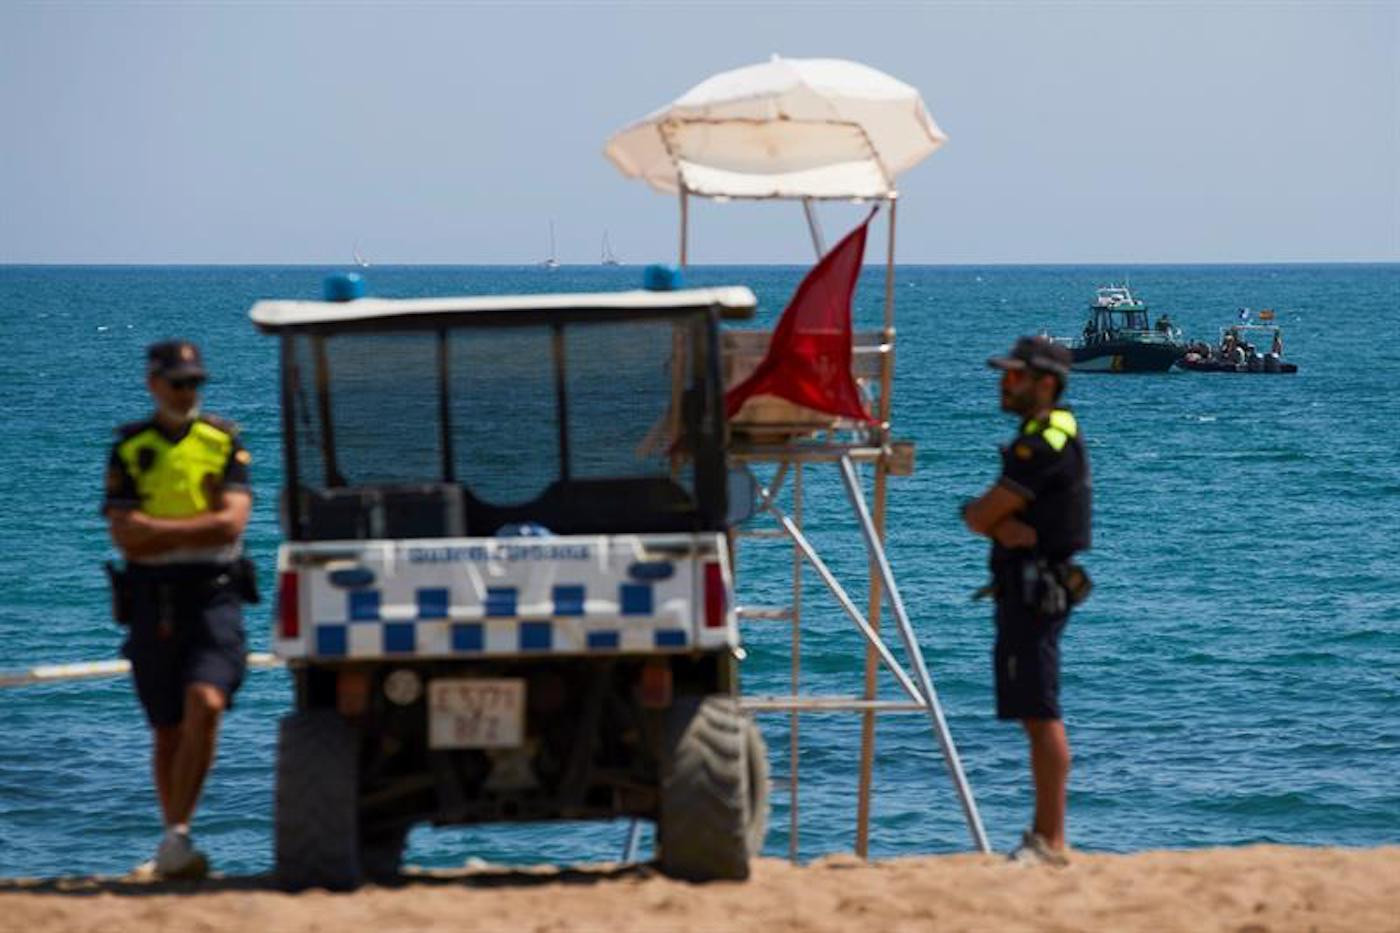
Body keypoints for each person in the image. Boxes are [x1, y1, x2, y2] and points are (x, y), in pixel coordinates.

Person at [102, 340, 254, 879]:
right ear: (154, 384)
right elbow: (125, 540)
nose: (189, 393)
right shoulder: (130, 448)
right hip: (152, 599)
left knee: (207, 701)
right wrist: (190, 528)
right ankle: (176, 841)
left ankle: (177, 836)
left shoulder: (222, 442)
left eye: (196, 383)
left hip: (214, 595)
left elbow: (231, 523)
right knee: (167, 728)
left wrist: (155, 531)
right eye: (179, 383)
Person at [962, 336, 1092, 867]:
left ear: (1045, 384)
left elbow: (980, 515)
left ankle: (1051, 840)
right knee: (1034, 713)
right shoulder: (1047, 434)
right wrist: (995, 520)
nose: (1003, 384)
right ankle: (1047, 836)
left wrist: (989, 518)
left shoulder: (1041, 445)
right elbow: (989, 516)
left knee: (1041, 713)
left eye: (1014, 376)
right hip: (1032, 586)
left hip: (1037, 591)